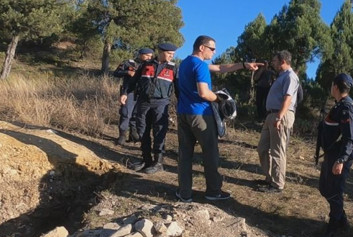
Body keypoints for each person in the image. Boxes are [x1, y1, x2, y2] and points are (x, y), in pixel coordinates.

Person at [175, 35, 262, 202]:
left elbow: (221, 68)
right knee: (210, 153)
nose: (215, 52)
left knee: (185, 154)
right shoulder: (200, 66)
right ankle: (213, 191)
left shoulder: (185, 63)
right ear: (202, 48)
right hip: (201, 115)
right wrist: (220, 99)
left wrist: (243, 65)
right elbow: (204, 93)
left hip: (183, 113)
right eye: (212, 49)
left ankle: (184, 193)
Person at [315, 73, 353, 237]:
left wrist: (341, 160)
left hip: (339, 157)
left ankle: (332, 230)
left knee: (333, 191)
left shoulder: (346, 107)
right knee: (326, 188)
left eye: (332, 85)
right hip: (333, 154)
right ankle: (342, 222)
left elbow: (350, 138)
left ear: (336, 87)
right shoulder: (340, 104)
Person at [126, 42, 179, 174]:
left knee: (159, 132)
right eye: (169, 53)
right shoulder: (145, 65)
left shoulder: (174, 68)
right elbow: (133, 82)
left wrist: (181, 103)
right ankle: (146, 160)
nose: (171, 56)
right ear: (160, 52)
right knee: (143, 131)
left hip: (161, 104)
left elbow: (178, 88)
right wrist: (125, 94)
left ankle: (158, 162)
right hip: (144, 102)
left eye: (173, 54)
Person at [256, 50, 299, 193]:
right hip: (271, 115)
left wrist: (280, 116)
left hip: (280, 115)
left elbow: (288, 98)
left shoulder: (290, 77)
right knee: (262, 148)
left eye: (275, 61)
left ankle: (277, 184)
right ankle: (270, 178)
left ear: (283, 61)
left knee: (277, 151)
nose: (273, 63)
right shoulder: (281, 76)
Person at [112, 47, 153, 145]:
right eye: (147, 55)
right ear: (140, 54)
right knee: (126, 113)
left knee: (137, 115)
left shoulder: (150, 65)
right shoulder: (128, 63)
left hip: (142, 93)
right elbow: (116, 73)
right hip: (129, 91)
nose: (149, 57)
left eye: (150, 56)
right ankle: (122, 135)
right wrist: (128, 72)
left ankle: (133, 135)